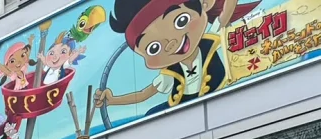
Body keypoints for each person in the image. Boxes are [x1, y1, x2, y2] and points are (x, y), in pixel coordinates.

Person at [96, 0, 258, 114]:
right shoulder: (169, 72)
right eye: (153, 48)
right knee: (151, 116)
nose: (171, 43)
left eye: (181, 21)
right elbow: (144, 94)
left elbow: (227, 12)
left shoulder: (209, 41)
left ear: (205, 4)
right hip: (181, 108)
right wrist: (113, 100)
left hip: (220, 97)